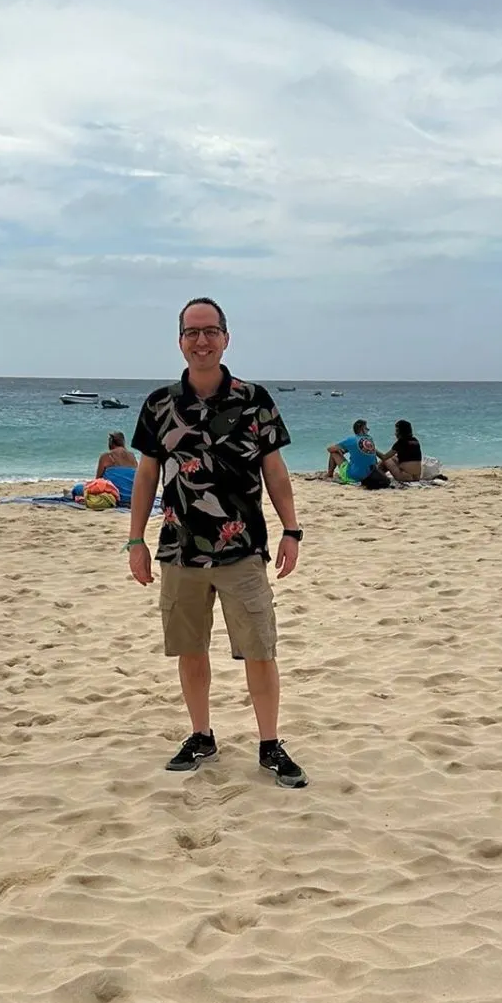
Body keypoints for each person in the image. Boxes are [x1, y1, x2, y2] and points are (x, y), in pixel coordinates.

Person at [127, 297, 307, 787]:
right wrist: (135, 541)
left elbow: (275, 470)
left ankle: (270, 744)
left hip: (243, 548)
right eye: (192, 333)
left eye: (210, 332)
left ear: (226, 338)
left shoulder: (254, 399)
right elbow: (146, 476)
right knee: (191, 648)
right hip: (180, 550)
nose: (201, 341)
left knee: (260, 649)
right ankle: (201, 735)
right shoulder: (160, 405)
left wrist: (292, 530)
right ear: (180, 341)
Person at [326, 419, 380, 483]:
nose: (368, 430)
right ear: (362, 429)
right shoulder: (369, 439)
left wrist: (341, 450)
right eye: (366, 428)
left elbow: (330, 449)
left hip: (354, 477)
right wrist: (345, 449)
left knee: (334, 452)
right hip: (371, 475)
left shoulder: (350, 440)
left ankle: (329, 475)